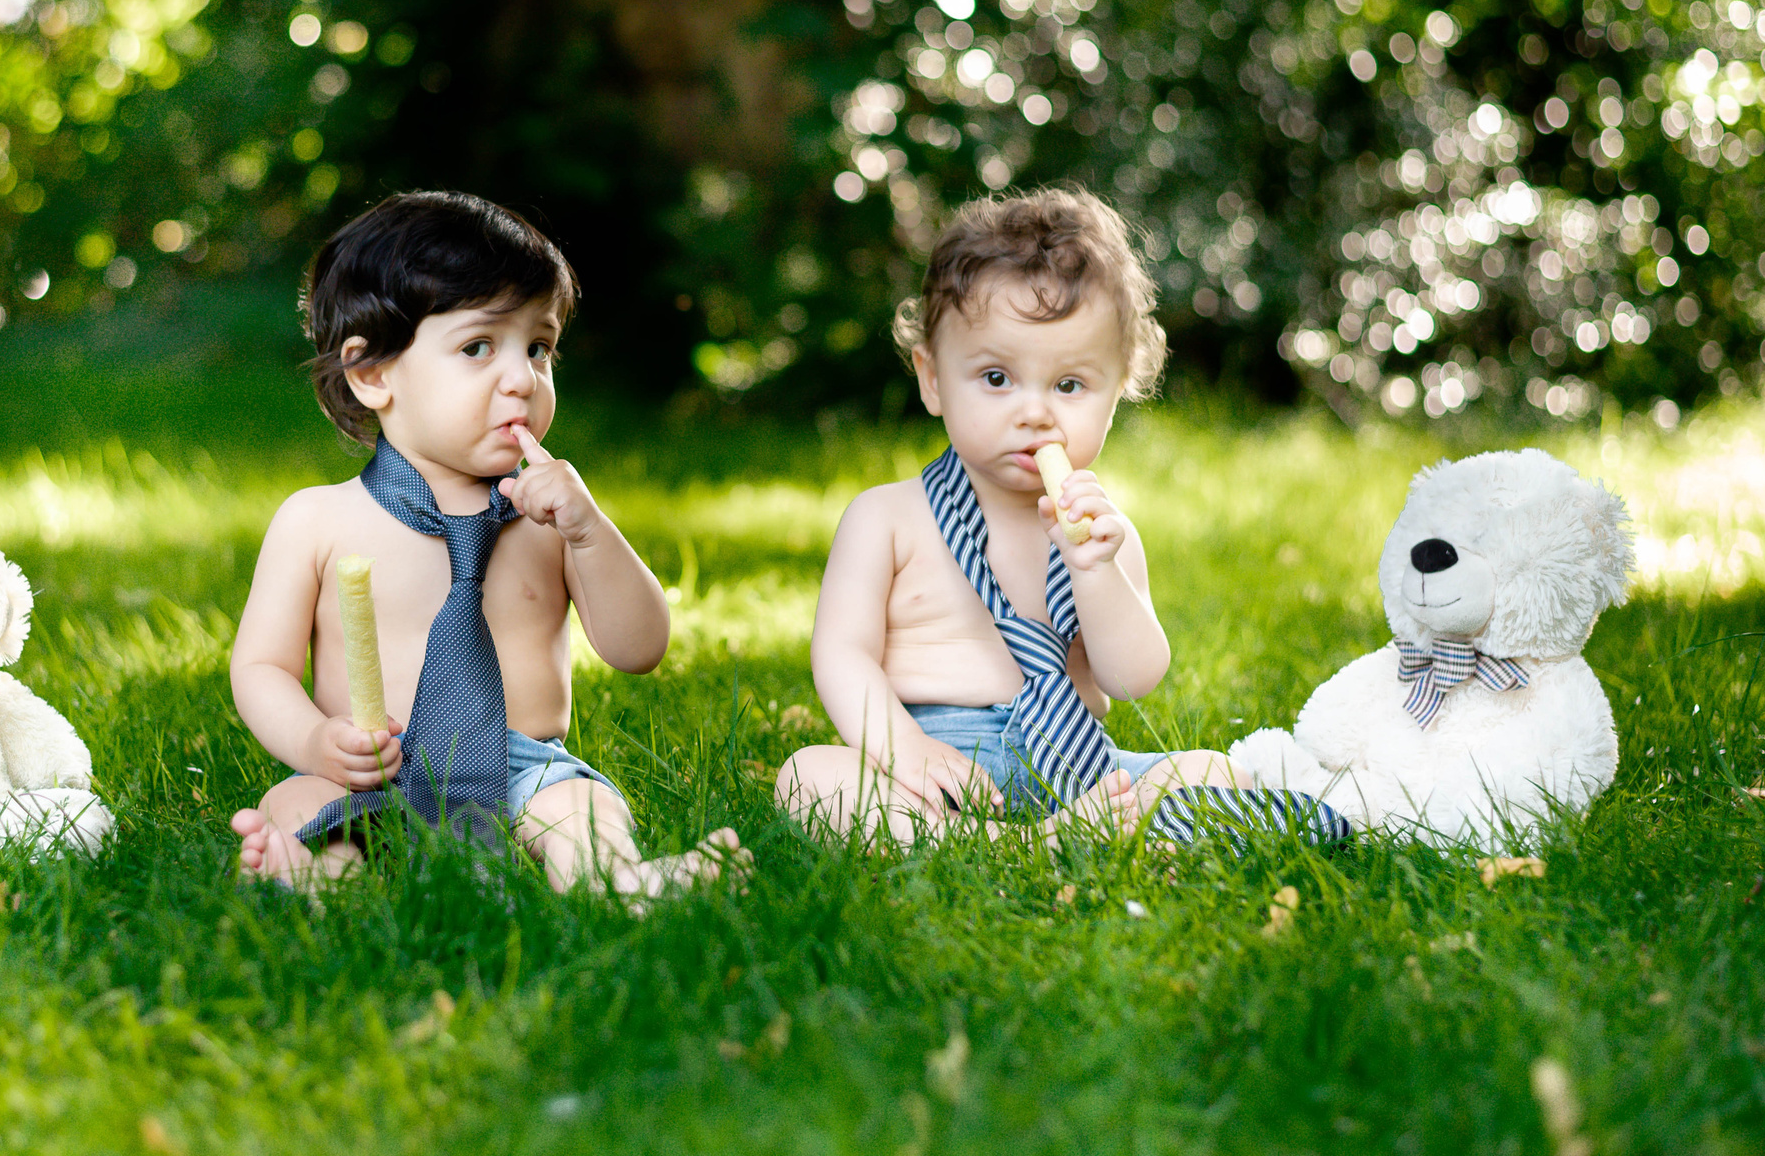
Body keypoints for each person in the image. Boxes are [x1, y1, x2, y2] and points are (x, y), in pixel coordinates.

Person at [776, 187, 1349, 848]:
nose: (1035, 412)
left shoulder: (1102, 532)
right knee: (811, 776)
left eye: (1070, 385)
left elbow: (1132, 678)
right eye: (996, 378)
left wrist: (1098, 571)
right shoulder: (888, 516)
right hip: (939, 767)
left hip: (1082, 767)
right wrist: (901, 745)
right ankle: (1008, 846)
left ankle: (1104, 828)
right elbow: (843, 653)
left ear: (1118, 392)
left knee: (1214, 770)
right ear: (932, 379)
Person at [228, 191, 749, 894]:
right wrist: (315, 741)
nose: (522, 378)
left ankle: (618, 882)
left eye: (539, 346)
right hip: (371, 764)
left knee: (581, 807)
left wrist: (590, 532)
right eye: (479, 346)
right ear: (372, 372)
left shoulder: (550, 517)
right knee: (303, 804)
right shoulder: (317, 520)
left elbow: (639, 646)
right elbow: (262, 666)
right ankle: (326, 878)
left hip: (523, 766)